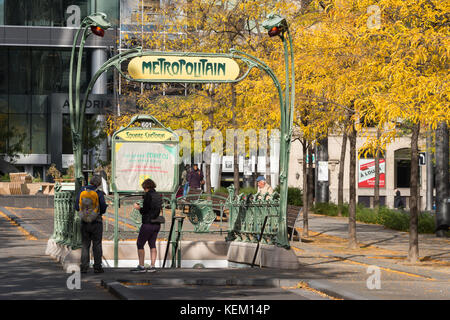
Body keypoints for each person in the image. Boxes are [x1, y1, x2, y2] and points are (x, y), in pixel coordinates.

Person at [74, 175, 107, 273]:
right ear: (99, 183)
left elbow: (76, 206)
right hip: (96, 221)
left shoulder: (82, 190)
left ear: (90, 181)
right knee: (97, 244)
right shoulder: (99, 193)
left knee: (85, 245)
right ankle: (97, 267)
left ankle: (84, 267)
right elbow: (103, 209)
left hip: (84, 221)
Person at [131, 179, 162, 273]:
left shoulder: (148, 195)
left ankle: (141, 266)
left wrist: (138, 208)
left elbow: (145, 210)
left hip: (148, 223)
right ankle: (152, 266)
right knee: (152, 244)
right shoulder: (158, 195)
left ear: (146, 187)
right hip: (156, 223)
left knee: (140, 244)